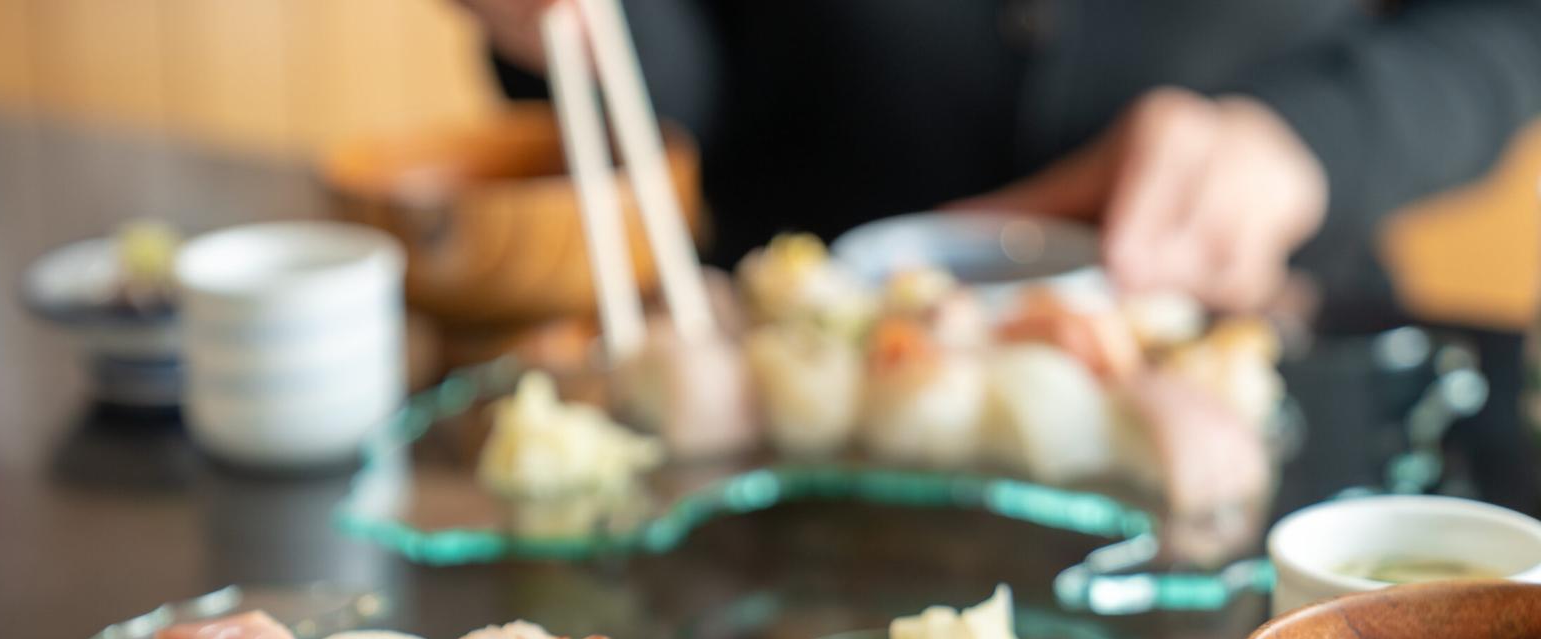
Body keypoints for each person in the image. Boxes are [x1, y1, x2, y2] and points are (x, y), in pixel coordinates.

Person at [460, 0, 1541, 313]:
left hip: (1279, 342)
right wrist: (567, 29)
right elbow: (675, 80)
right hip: (800, 379)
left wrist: (1314, 139)